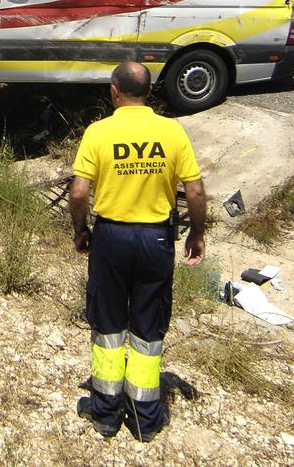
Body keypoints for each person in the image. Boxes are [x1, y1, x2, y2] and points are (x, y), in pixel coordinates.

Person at [69, 61, 206, 441]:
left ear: (115, 91)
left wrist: (81, 231)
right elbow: (194, 190)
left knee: (108, 324)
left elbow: (79, 193)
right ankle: (146, 417)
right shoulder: (171, 131)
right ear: (149, 91)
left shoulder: (99, 132)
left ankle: (105, 414)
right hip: (156, 240)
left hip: (111, 238)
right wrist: (196, 231)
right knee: (148, 327)